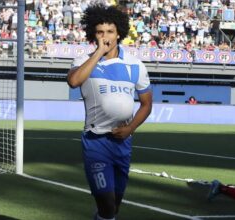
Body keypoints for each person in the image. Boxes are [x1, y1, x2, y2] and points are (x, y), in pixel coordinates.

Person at [67, 4, 152, 220]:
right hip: (96, 141)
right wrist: (99, 53)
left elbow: (146, 104)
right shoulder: (83, 62)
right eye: (100, 32)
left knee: (113, 208)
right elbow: (74, 81)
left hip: (123, 143)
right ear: (93, 35)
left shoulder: (135, 65)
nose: (105, 36)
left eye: (110, 31)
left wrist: (131, 128)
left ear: (119, 33)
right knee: (106, 205)